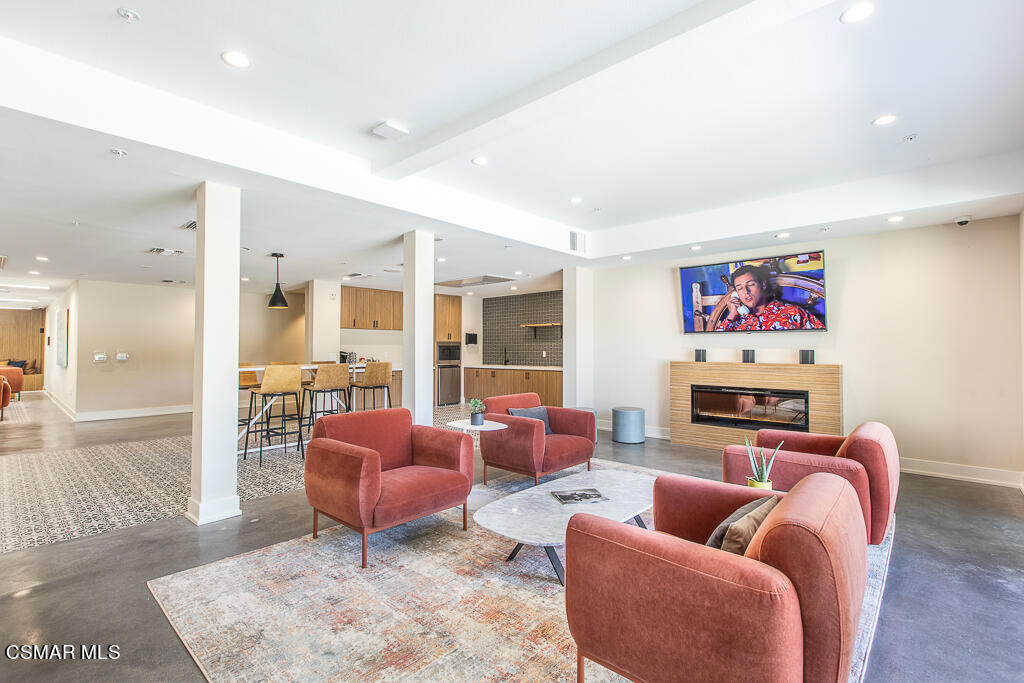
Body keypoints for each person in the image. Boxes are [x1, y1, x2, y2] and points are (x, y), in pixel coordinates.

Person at [715, 264, 824, 331]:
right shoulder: (735, 320)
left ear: (763, 284)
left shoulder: (792, 313)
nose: (746, 292)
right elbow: (715, 348)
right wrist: (732, 314)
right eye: (740, 288)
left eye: (751, 284)